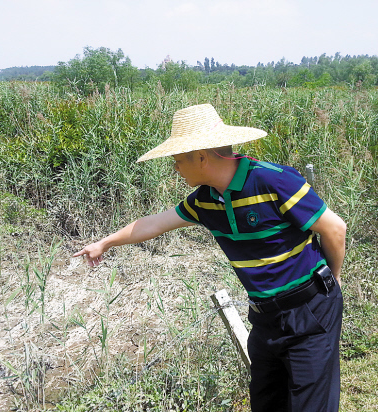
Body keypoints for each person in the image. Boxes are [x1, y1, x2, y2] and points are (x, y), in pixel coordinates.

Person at [74, 103, 346, 412]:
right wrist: (105, 243)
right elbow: (153, 223)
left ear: (201, 157)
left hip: (310, 309)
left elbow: (335, 229)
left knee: (311, 405)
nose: (176, 168)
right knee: (268, 400)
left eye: (178, 161)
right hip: (266, 318)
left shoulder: (273, 181)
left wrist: (332, 281)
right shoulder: (205, 200)